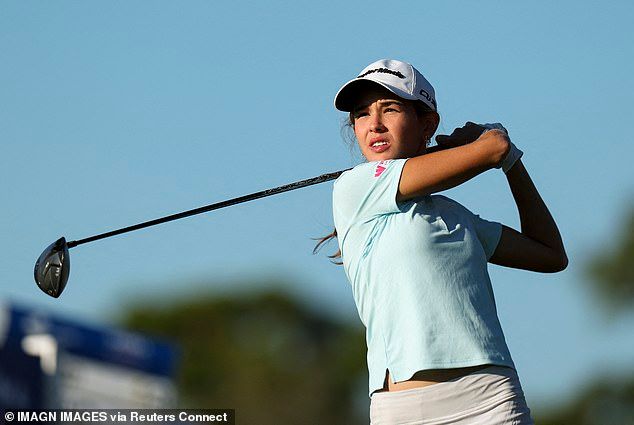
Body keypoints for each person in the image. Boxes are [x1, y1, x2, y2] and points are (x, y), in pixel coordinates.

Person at [315, 59, 568, 424]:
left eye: (390, 108)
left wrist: (513, 162)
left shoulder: (458, 217)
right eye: (362, 114)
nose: (375, 124)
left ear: (427, 124)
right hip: (402, 409)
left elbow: (550, 255)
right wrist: (491, 142)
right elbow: (491, 148)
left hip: (491, 401)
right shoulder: (354, 187)